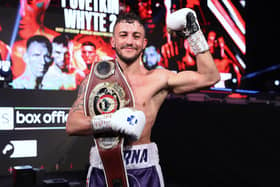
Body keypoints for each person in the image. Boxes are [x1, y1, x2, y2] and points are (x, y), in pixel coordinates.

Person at [66, 8, 220, 187]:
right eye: (123, 35)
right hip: (103, 170)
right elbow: (72, 124)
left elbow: (210, 77)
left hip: (144, 171)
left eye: (136, 36)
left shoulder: (159, 78)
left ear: (144, 42)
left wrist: (193, 32)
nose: (130, 41)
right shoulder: (95, 80)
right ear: (113, 41)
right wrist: (111, 121)